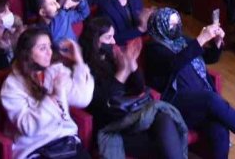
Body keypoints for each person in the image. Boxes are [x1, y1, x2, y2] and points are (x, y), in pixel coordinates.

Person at [143, 8, 235, 158]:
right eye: (172, 25)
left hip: (199, 102)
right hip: (176, 103)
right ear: (160, 26)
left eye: (177, 23)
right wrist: (201, 39)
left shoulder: (181, 40)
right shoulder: (153, 49)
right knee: (210, 98)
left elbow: (209, 57)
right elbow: (175, 64)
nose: (176, 28)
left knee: (220, 128)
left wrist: (217, 44)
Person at [79, 17, 187, 158]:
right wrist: (122, 72)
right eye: (108, 38)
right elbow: (105, 105)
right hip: (113, 125)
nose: (113, 42)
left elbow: (138, 88)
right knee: (165, 142)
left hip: (132, 115)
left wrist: (132, 64)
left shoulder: (112, 58)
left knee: (164, 118)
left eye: (113, 36)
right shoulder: (84, 69)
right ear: (95, 42)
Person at [0, 26, 94, 159]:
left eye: (50, 47)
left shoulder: (54, 70)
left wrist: (78, 61)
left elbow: (82, 99)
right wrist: (53, 97)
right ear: (27, 54)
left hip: (64, 141)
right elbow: (28, 127)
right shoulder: (12, 85)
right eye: (42, 48)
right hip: (35, 148)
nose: (49, 52)